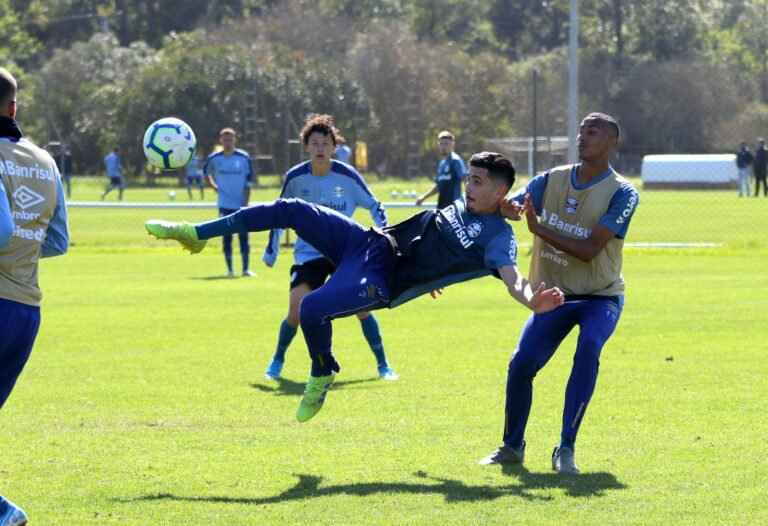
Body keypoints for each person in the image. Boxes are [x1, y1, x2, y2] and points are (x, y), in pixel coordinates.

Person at [145, 152, 565, 423]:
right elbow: (475, 220)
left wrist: (534, 301)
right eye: (469, 179)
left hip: (383, 280)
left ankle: (323, 369)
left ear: (498, 190)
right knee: (290, 209)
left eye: (476, 182)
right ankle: (197, 233)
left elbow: (514, 280)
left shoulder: (499, 238)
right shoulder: (483, 202)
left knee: (311, 309)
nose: (467, 187)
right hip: (369, 241)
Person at [479, 113, 639, 475]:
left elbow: (589, 250)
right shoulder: (550, 179)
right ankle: (512, 446)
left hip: (600, 297)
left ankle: (565, 449)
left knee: (589, 348)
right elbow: (516, 206)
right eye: (581, 130)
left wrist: (539, 229)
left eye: (592, 132)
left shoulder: (622, 193)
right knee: (521, 364)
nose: (582, 137)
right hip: (552, 295)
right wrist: (508, 209)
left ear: (612, 143)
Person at [261, 114, 397, 381]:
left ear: (334, 147)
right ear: (306, 147)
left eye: (326, 143)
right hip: (308, 254)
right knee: (296, 312)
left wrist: (385, 238)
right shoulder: (296, 178)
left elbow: (374, 205)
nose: (320, 148)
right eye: (315, 143)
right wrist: (271, 250)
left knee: (362, 307)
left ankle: (383, 365)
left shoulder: (347, 176)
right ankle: (276, 361)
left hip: (343, 253)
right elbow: (279, 213)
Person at [0, 67, 70, 526]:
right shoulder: (44, 161)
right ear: (13, 108)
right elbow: (59, 240)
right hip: (25, 311)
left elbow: (2, 231)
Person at [203, 127, 255, 277]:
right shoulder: (214, 158)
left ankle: (245, 269)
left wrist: (246, 201)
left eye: (230, 139)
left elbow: (249, 181)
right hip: (224, 205)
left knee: (244, 237)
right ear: (221, 141)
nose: (227, 142)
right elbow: (206, 173)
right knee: (227, 238)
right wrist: (213, 185)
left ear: (235, 140)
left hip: (241, 206)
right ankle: (230, 270)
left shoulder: (244, 158)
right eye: (225, 140)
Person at [415, 130, 466, 209]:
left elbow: (465, 180)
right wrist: (424, 197)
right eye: (441, 144)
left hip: (454, 208)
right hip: (442, 207)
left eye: (446, 144)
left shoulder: (456, 161)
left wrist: (467, 200)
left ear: (453, 144)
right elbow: (439, 186)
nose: (443, 147)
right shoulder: (442, 163)